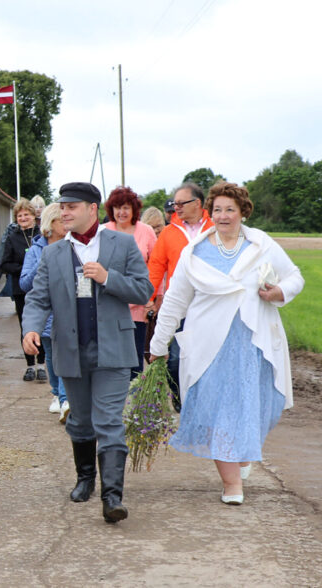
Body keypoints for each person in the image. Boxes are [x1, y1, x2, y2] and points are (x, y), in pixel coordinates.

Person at [149, 182, 303, 505]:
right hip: (209, 347)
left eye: (229, 209)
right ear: (209, 211)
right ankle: (231, 483)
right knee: (219, 411)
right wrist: (158, 345)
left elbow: (295, 277)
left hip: (253, 345)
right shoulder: (195, 254)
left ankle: (242, 455)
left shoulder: (261, 245)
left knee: (252, 409)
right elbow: (175, 302)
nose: (222, 216)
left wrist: (278, 292)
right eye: (217, 209)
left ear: (242, 212)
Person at [22, 182, 154, 524]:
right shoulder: (53, 253)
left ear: (92, 209)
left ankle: (113, 498)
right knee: (80, 421)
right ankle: (85, 479)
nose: (64, 212)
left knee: (108, 421)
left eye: (72, 207)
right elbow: (38, 298)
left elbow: (143, 289)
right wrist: (31, 328)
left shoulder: (121, 244)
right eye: (62, 207)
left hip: (113, 348)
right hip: (71, 350)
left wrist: (109, 278)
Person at [145, 183, 214, 410]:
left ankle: (204, 402)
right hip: (180, 305)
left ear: (197, 203)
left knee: (208, 358)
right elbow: (156, 266)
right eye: (175, 203)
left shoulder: (215, 228)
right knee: (174, 359)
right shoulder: (169, 233)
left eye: (181, 203)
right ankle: (179, 397)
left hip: (210, 305)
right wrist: (149, 294)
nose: (177, 207)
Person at [19, 202, 70, 422]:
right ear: (51, 223)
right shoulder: (36, 249)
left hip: (67, 311)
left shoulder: (73, 246)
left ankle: (66, 399)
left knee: (67, 354)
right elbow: (24, 283)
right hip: (46, 313)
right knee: (50, 355)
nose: (66, 223)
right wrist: (44, 262)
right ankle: (58, 395)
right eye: (61, 220)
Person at [103, 186, 158, 378]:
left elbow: (156, 267)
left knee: (135, 360)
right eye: (117, 207)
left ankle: (135, 405)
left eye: (126, 207)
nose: (121, 212)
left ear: (134, 209)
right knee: (110, 360)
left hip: (137, 306)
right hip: (109, 305)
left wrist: (151, 299)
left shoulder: (147, 231)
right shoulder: (103, 231)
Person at [0, 199, 47, 382]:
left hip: (41, 287)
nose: (23, 218)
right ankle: (30, 366)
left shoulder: (41, 235)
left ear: (33, 215)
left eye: (26, 214)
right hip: (21, 289)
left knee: (43, 326)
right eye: (19, 216)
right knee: (26, 327)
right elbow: (5, 263)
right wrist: (25, 269)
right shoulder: (12, 238)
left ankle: (42, 365)